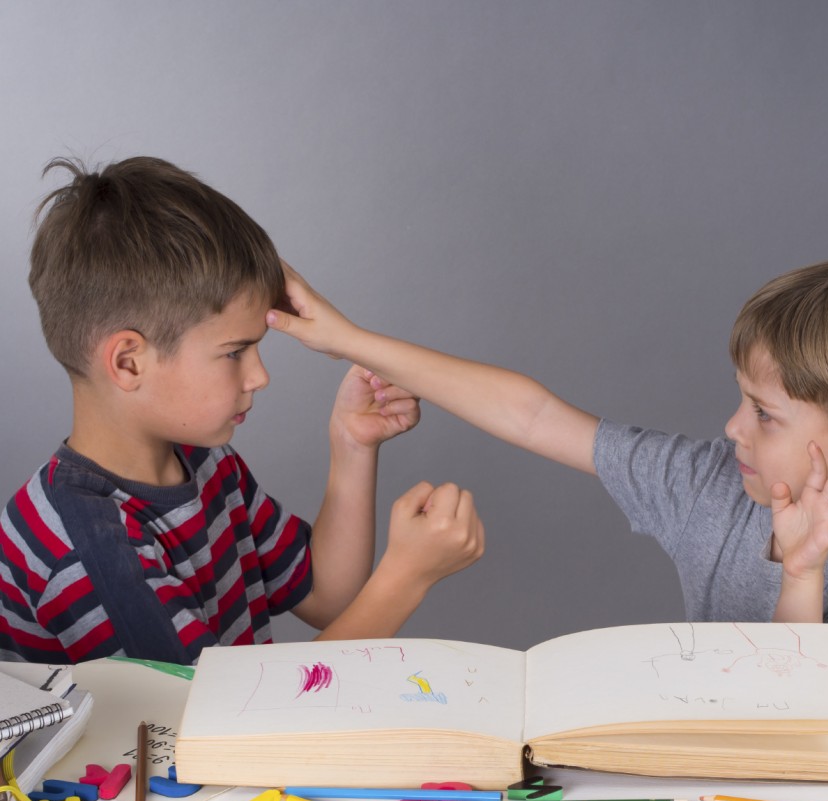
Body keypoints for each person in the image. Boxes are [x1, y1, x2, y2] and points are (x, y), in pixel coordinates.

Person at [265, 256, 828, 669]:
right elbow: (536, 416)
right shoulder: (714, 484)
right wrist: (351, 340)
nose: (732, 427)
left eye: (764, 414)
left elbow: (800, 726)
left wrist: (802, 574)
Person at [0, 157, 484, 664]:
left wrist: (352, 443)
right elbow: (222, 726)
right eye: (235, 352)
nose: (259, 376)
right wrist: (405, 578)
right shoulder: (86, 548)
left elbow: (325, 596)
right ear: (128, 362)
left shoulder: (204, 463)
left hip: (228, 738)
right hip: (194, 743)